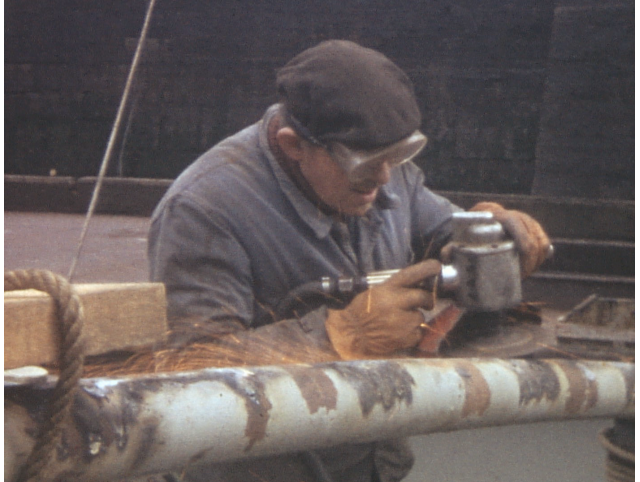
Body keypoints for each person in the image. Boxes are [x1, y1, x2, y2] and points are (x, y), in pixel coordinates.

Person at [148, 40, 550, 482]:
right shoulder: (203, 211)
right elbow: (190, 370)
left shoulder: (380, 168)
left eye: (396, 157)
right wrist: (341, 334)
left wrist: (486, 231)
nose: (383, 179)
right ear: (294, 145)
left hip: (371, 455)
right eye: (367, 164)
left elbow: (437, 226)